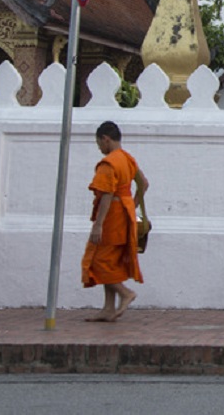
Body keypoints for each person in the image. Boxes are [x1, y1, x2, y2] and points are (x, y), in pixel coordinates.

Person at [81, 120, 147, 322]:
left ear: (106, 139)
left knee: (97, 261)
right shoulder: (128, 160)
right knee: (111, 261)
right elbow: (144, 184)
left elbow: (107, 195)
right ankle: (108, 308)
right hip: (124, 214)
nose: (100, 148)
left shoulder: (109, 164)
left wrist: (98, 224)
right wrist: (131, 205)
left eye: (99, 143)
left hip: (112, 217)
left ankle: (125, 293)